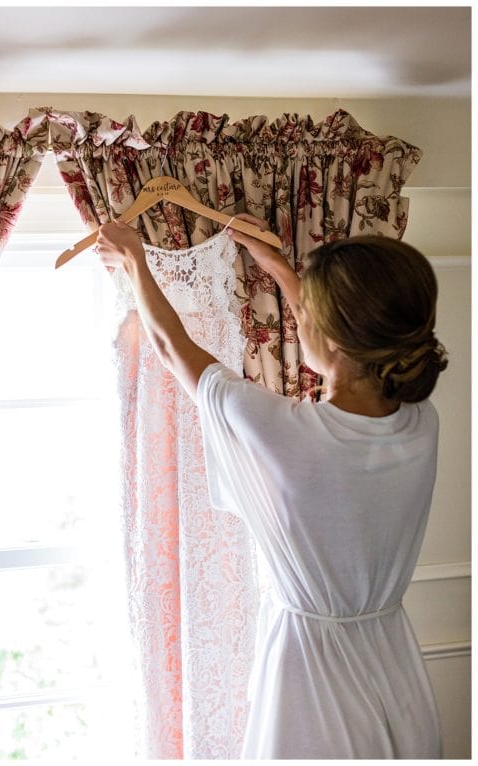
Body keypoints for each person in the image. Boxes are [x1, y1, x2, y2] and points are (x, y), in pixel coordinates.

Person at [96, 213, 446, 758]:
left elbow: (171, 347)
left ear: (332, 336)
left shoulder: (284, 432)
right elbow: (346, 348)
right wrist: (280, 269)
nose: (298, 313)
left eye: (305, 309)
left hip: (312, 674)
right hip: (392, 660)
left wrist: (135, 262)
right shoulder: (420, 424)